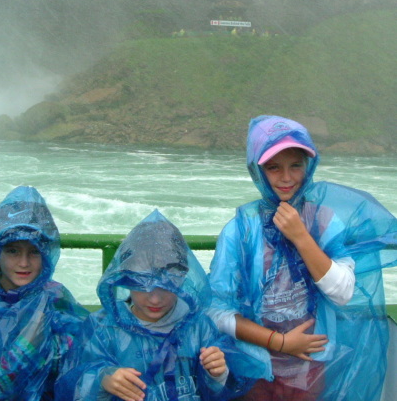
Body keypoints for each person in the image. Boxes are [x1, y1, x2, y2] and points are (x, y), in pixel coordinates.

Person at [208, 115, 397, 401]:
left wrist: (301, 236)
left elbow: (343, 292)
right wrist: (279, 342)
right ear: (257, 171)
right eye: (273, 168)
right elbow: (216, 310)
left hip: (309, 365)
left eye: (296, 165)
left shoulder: (322, 220)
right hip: (252, 364)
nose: (286, 178)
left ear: (309, 166)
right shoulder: (241, 229)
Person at [55, 209, 260, 401]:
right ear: (126, 279)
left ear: (182, 280)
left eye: (165, 288)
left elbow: (222, 391)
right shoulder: (103, 329)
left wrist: (218, 373)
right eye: (143, 287)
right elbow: (68, 384)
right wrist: (102, 379)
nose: (154, 300)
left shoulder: (199, 327)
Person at [0, 186, 89, 401]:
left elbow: (84, 360)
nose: (24, 263)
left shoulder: (56, 295)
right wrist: (28, 344)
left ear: (45, 255)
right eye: (13, 251)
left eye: (34, 251)